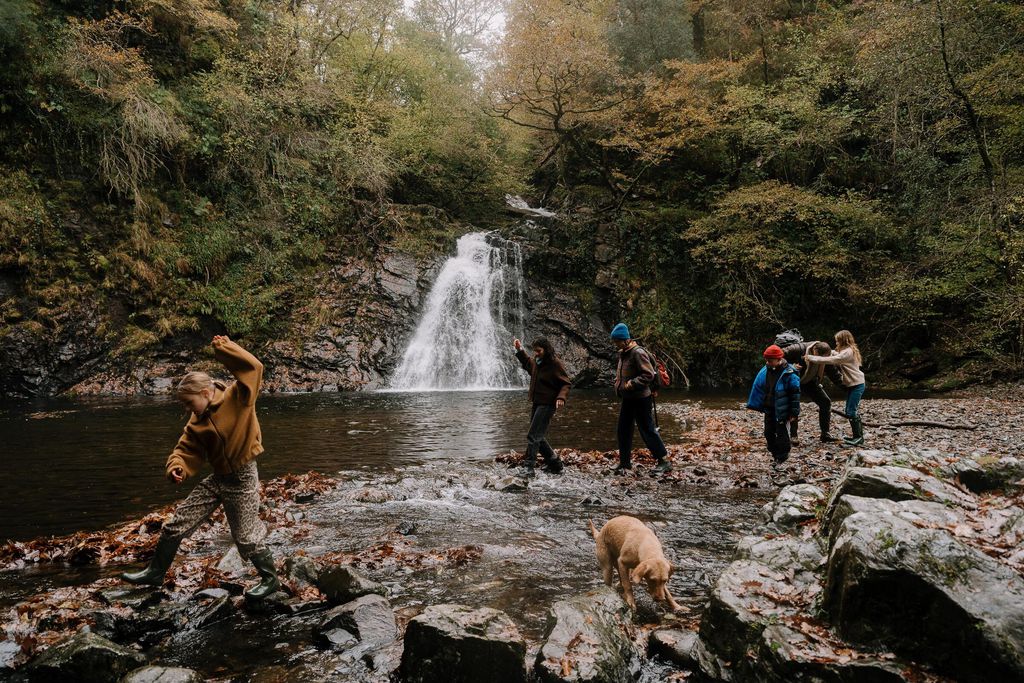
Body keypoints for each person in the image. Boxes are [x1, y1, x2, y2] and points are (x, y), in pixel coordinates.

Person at [121, 335, 281, 600]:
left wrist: (226, 350)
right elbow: (185, 449)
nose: (187, 409)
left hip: (242, 478)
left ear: (205, 393)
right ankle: (155, 572)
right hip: (219, 478)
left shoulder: (238, 397)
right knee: (175, 525)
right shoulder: (196, 422)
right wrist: (178, 466)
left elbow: (255, 368)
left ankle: (270, 579)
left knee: (245, 536)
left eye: (188, 403)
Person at [610, 323, 672, 475]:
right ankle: (625, 463)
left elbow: (649, 374)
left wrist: (631, 384)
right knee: (623, 430)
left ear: (625, 339)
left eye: (617, 341)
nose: (615, 344)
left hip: (641, 398)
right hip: (628, 398)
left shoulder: (637, 353)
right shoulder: (624, 352)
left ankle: (664, 461)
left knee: (647, 429)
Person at [513, 337, 572, 476]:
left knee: (533, 435)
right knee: (538, 435)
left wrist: (561, 397)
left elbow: (566, 383)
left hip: (548, 403)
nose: (536, 353)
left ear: (546, 349)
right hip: (537, 402)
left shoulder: (554, 363)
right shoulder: (538, 362)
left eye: (538, 351)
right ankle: (555, 463)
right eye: (535, 351)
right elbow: (528, 364)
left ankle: (529, 467)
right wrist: (519, 350)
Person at [805, 330, 866, 446]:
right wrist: (824, 350)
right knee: (849, 410)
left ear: (843, 340)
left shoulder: (848, 352)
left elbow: (832, 359)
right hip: (853, 384)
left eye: (837, 340)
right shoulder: (846, 351)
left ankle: (859, 437)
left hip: (857, 384)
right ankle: (856, 437)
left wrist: (811, 357)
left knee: (851, 411)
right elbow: (834, 354)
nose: (836, 342)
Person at [746, 345, 801, 464]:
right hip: (769, 408)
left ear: (779, 359)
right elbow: (758, 387)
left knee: (782, 434)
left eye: (770, 360)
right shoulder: (766, 370)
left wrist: (794, 413)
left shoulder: (789, 373)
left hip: (782, 410)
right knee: (768, 433)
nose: (767, 362)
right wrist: (755, 404)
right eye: (766, 360)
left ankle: (782, 456)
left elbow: (795, 395)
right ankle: (775, 454)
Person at [780, 340, 839, 443]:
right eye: (819, 357)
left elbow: (833, 372)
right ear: (814, 350)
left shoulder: (824, 355)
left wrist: (847, 386)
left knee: (825, 402)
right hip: (792, 380)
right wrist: (790, 366)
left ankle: (825, 434)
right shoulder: (797, 349)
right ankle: (793, 436)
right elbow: (778, 355)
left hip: (810, 381)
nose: (819, 360)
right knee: (794, 406)